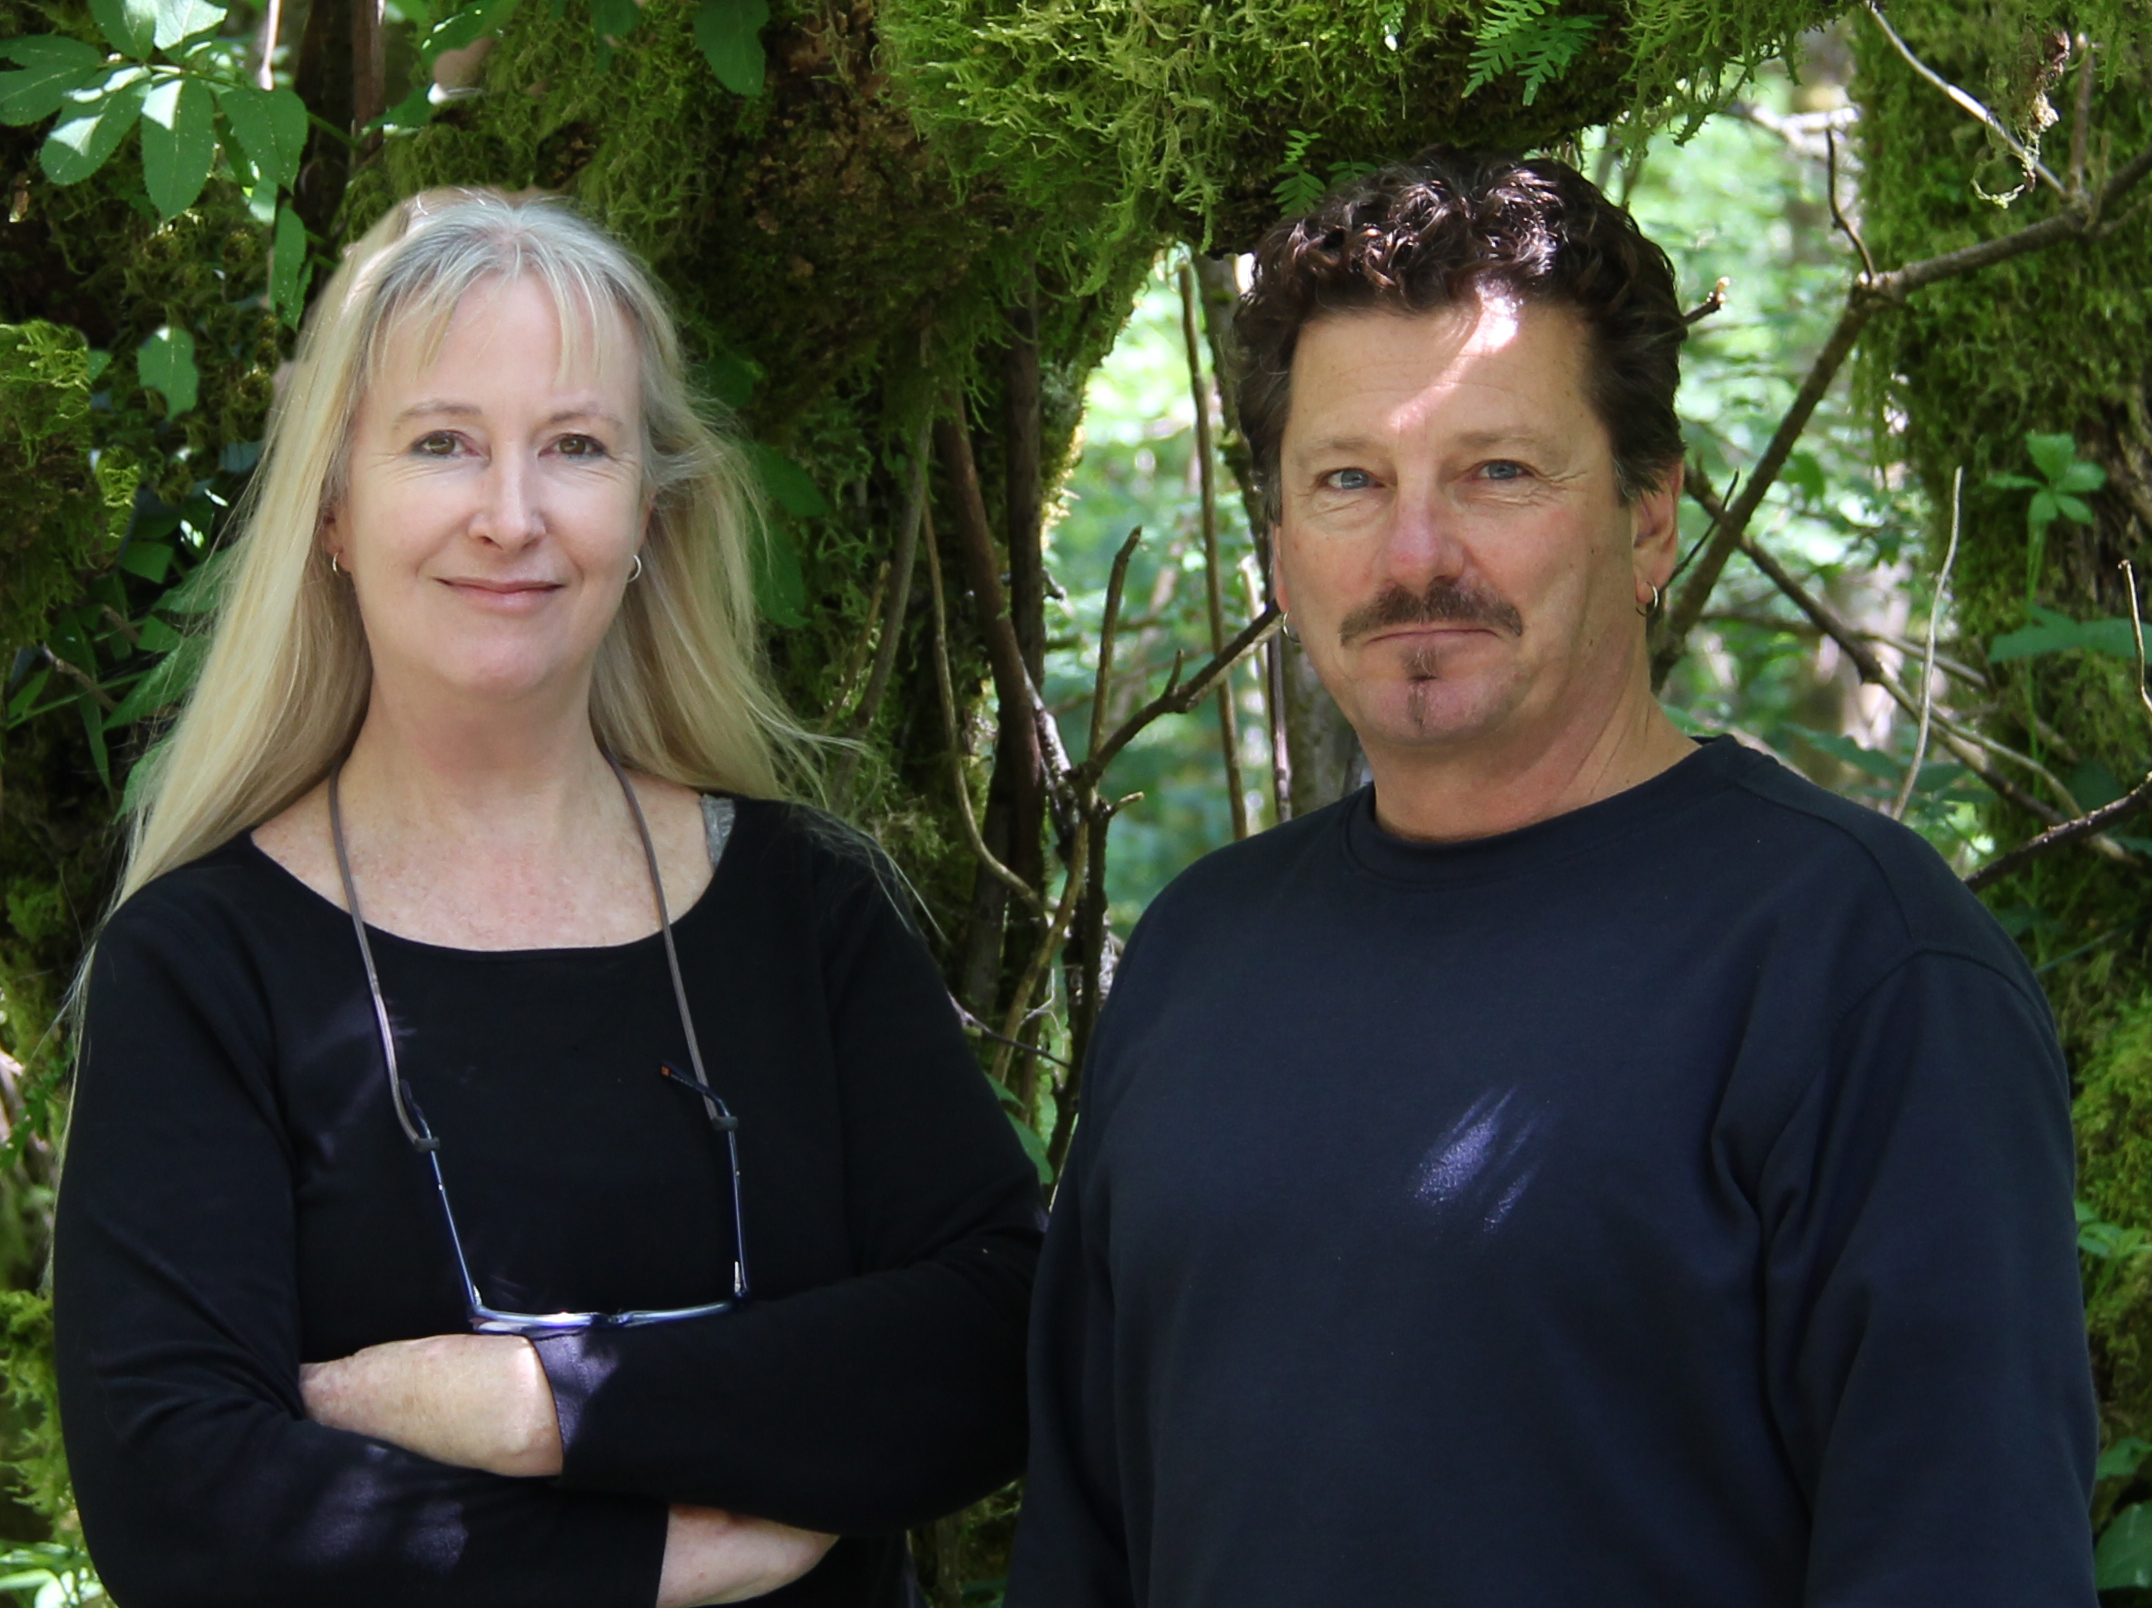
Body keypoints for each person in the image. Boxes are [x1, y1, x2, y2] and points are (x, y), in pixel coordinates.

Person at [1006, 149, 2098, 1606]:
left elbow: (1966, 1561)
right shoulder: (1203, 953)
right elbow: (1083, 1546)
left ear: (1651, 518)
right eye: (1347, 480)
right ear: (1278, 543)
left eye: (1497, 472)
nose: (1414, 553)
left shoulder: (1859, 969)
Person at [54, 188, 1041, 1608]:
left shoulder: (801, 911)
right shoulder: (205, 964)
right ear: (335, 506)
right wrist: (647, 1553)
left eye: (574, 447)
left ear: (646, 510)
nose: (509, 517)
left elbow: (998, 1332)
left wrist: (534, 1403)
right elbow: (182, 1502)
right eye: (443, 443)